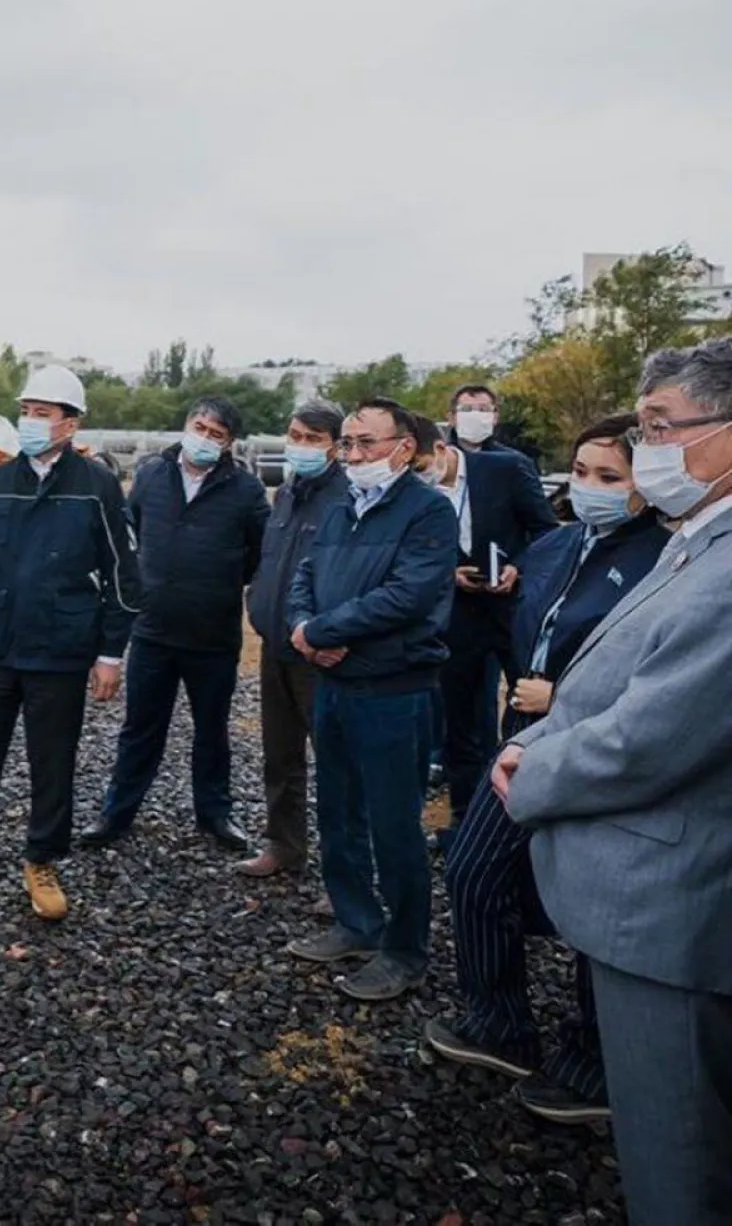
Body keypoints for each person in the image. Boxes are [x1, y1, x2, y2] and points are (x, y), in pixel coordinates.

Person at [494, 337, 732, 1226]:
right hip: (657, 891)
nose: (648, 452)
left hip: (672, 911)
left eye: (663, 428)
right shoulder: (695, 538)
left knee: (680, 1156)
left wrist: (536, 764)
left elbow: (653, 735)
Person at [425, 415, 667, 1125]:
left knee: (594, 911)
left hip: (598, 751)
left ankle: (593, 1061)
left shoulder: (666, 560)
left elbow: (664, 674)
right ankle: (499, 1022)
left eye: (609, 477)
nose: (589, 488)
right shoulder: (558, 544)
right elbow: (524, 628)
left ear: (644, 483)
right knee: (472, 869)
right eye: (582, 472)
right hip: (523, 745)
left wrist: (563, 695)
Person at [0, 365, 141, 921]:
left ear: (71, 424)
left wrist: (111, 653)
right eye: (27, 411)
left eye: (43, 413)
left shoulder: (96, 488)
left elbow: (122, 574)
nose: (30, 422)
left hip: (62, 649)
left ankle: (42, 860)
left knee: (53, 759)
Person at [284, 398, 457, 1001]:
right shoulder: (341, 510)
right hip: (334, 686)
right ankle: (357, 920)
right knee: (338, 810)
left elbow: (407, 596)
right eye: (348, 444)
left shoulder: (429, 513)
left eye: (365, 444)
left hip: (393, 689)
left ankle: (405, 949)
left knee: (393, 824)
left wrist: (326, 633)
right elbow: (304, 578)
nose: (352, 455)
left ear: (404, 449)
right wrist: (305, 630)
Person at [81, 396, 270, 849]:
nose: (204, 439)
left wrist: (215, 580)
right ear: (187, 425)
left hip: (213, 634)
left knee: (212, 730)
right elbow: (131, 537)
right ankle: (117, 812)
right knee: (140, 727)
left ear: (229, 444)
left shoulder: (245, 491)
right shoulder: (151, 474)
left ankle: (215, 814)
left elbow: (258, 555)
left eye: (216, 435)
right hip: (153, 630)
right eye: (200, 427)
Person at [419, 414, 557, 827]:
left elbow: (547, 532)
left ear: (440, 450)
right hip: (458, 619)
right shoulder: (413, 493)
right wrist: (449, 574)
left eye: (419, 466)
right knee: (460, 725)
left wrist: (518, 567)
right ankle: (467, 819)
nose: (416, 476)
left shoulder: (505, 469)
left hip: (514, 611)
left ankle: (530, 812)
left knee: (527, 710)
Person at [237, 398, 349, 878]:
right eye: (295, 436)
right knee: (280, 755)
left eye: (312, 440)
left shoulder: (345, 499)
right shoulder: (286, 493)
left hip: (319, 652)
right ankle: (284, 845)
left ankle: (343, 869)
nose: (299, 447)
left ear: (335, 448)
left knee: (338, 763)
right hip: (276, 646)